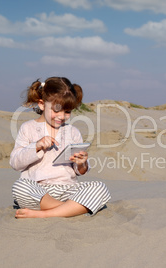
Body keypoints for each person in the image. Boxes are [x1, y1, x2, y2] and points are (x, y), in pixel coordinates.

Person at [10, 77, 111, 218]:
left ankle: (44, 214)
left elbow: (79, 171)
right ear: (42, 104)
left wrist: (81, 163)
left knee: (100, 188)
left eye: (67, 111)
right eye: (57, 110)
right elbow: (15, 162)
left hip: (69, 189)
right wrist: (36, 146)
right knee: (19, 187)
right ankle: (72, 208)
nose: (62, 116)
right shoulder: (28, 128)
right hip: (40, 190)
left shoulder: (73, 131)